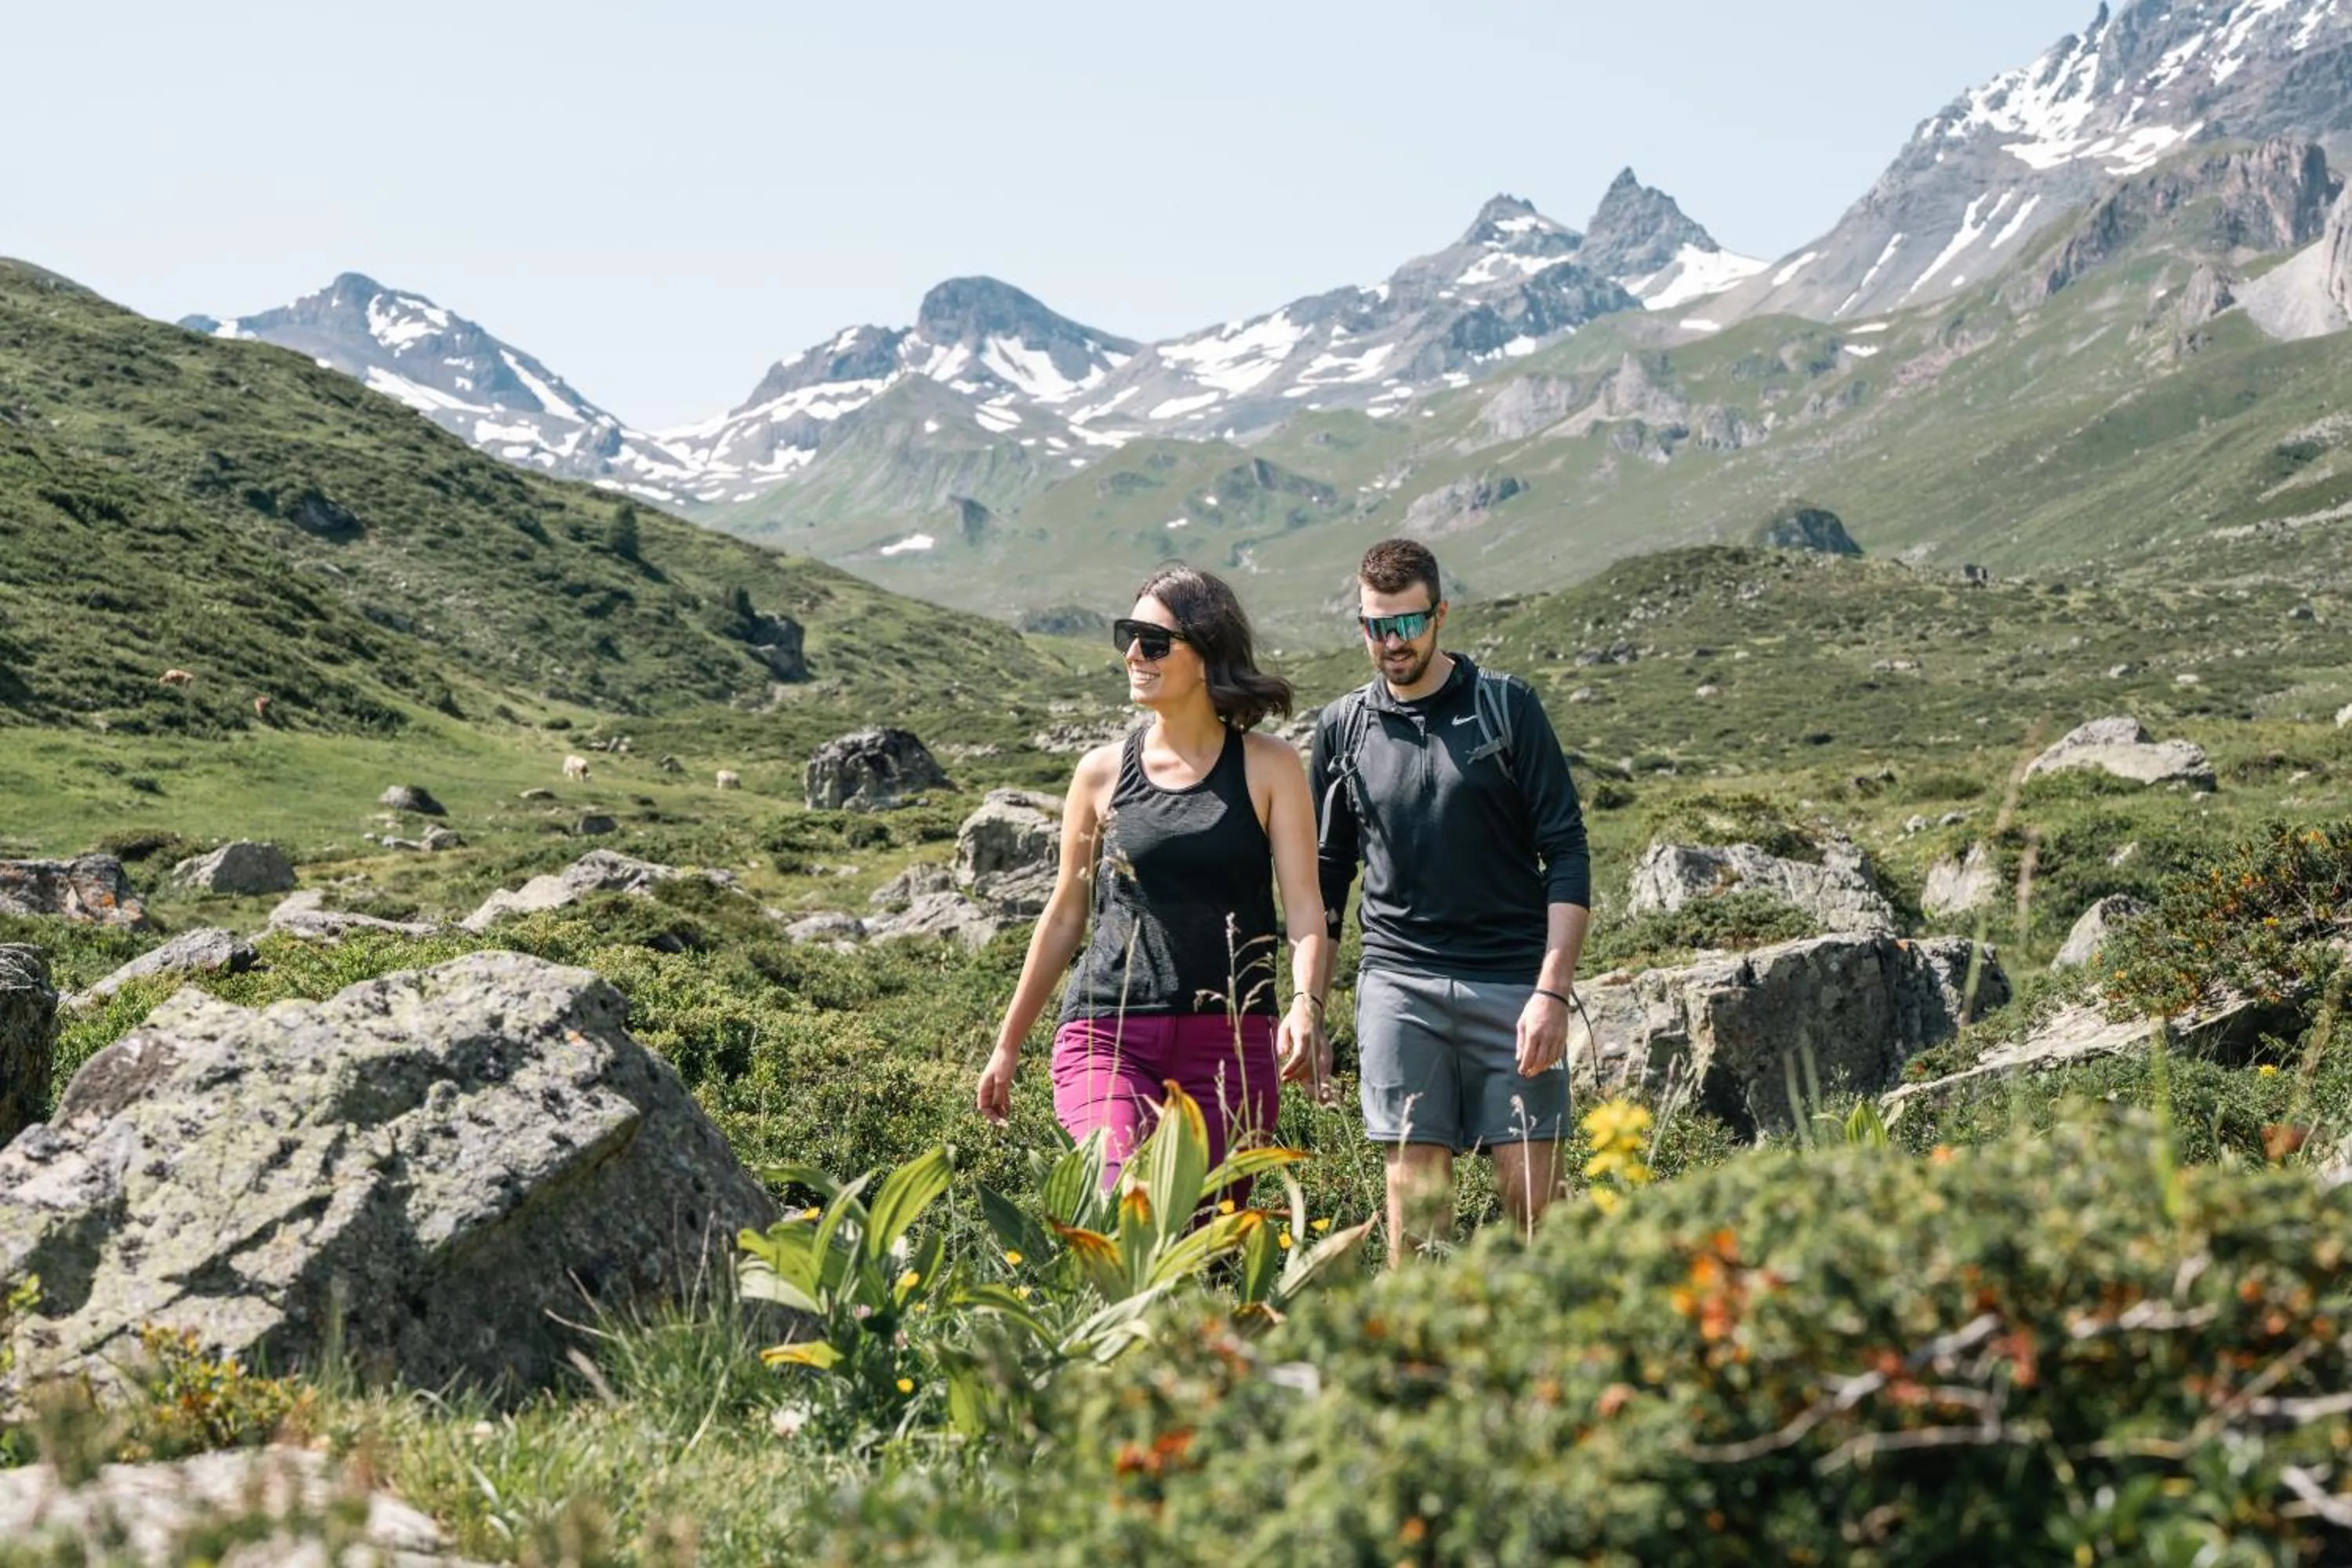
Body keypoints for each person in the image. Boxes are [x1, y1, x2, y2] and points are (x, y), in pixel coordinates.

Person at [976, 566, 1330, 1191]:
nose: (1134, 654)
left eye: (1155, 641)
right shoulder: (1099, 773)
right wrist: (1008, 1045)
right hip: (1107, 1031)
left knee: (1209, 1246)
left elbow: (1303, 907)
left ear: (1206, 657)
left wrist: (1306, 1006)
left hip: (1231, 1044)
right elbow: (1065, 915)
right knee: (1121, 1200)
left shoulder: (1270, 767)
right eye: (1128, 636)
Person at [1309, 538, 1591, 1261]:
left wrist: (1552, 995)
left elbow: (1565, 850)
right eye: (1376, 625)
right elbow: (1327, 875)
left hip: (1513, 985)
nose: (1391, 642)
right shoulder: (1343, 728)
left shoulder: (1508, 707)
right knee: (1417, 1217)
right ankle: (1420, 1365)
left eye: (1406, 623)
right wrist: (1308, 1006)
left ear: (1441, 615)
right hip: (1398, 986)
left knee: (1538, 1214)